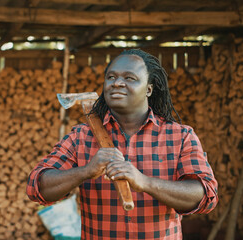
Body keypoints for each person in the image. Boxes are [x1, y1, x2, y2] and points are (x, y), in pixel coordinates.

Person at [27, 49, 218, 239]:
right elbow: (37, 187)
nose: (117, 83)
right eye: (111, 77)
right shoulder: (81, 137)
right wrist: (86, 171)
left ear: (149, 89)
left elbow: (205, 196)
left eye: (130, 78)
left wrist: (145, 182)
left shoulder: (180, 136)